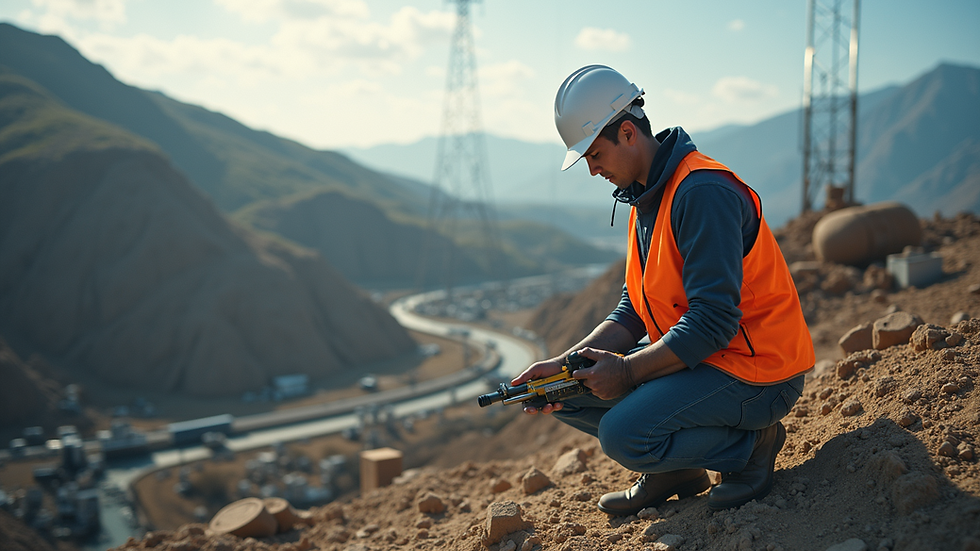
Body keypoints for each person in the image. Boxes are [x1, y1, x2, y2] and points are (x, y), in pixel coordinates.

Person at [511, 65, 815, 515]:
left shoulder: (702, 192)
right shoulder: (646, 197)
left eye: (595, 154)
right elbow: (634, 307)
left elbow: (712, 321)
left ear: (627, 133)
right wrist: (563, 364)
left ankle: (752, 448)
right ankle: (676, 471)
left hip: (759, 372)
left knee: (622, 434)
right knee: (568, 389)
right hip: (708, 359)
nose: (592, 170)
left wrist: (627, 372)